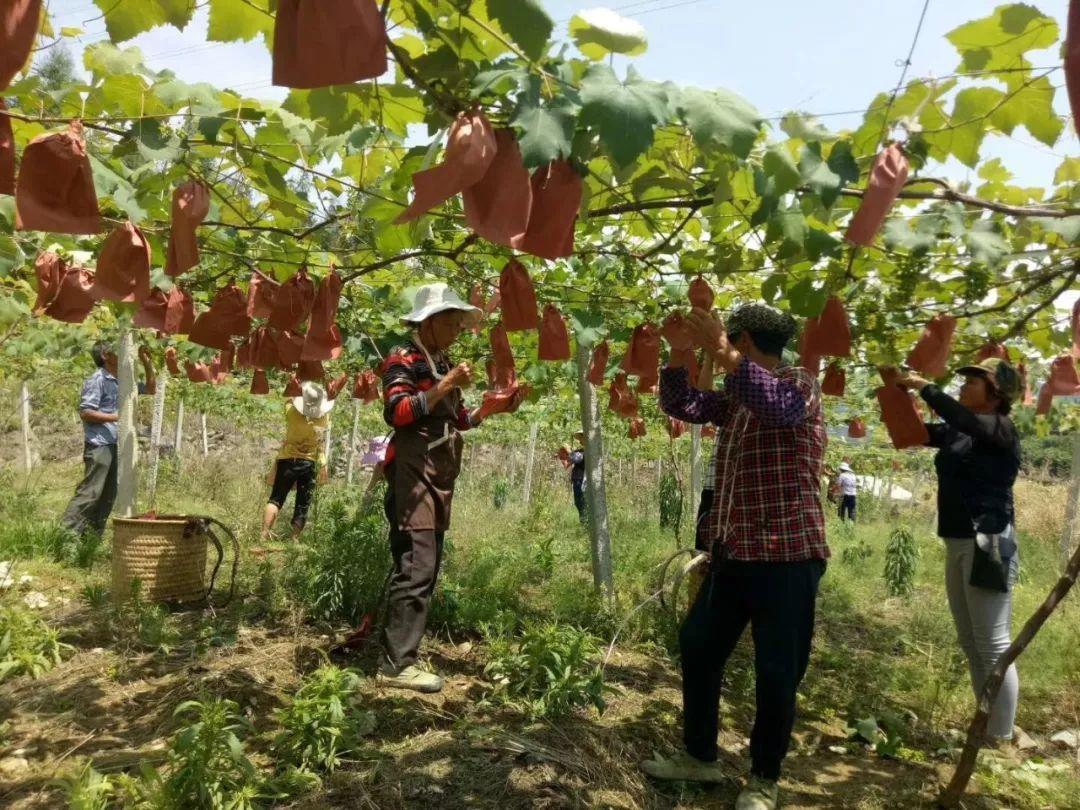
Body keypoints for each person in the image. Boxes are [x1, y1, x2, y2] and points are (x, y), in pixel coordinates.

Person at [643, 303, 828, 810]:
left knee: (777, 671)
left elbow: (781, 409)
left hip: (788, 557)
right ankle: (700, 757)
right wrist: (681, 352)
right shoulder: (737, 399)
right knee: (698, 645)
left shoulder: (798, 385)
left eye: (726, 341)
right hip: (735, 554)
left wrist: (720, 352)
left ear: (742, 341)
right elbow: (685, 405)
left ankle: (764, 778)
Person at [377, 283, 524, 693]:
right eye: (454, 322)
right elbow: (398, 412)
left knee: (425, 563)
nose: (460, 330)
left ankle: (399, 654)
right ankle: (396, 665)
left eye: (461, 323)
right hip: (413, 470)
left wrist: (491, 408)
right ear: (430, 322)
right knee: (416, 564)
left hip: (437, 471)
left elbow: (459, 420)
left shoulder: (441, 360)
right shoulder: (402, 359)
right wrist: (443, 385)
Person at [897, 357, 1022, 745]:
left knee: (993, 641)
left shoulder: (1000, 428)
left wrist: (924, 386)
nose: (964, 385)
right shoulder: (959, 431)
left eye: (974, 380)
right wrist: (893, 389)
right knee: (971, 640)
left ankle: (1000, 735)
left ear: (996, 392)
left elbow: (964, 419)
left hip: (989, 540)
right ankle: (985, 724)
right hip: (957, 539)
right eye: (964, 380)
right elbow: (915, 432)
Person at [61, 341, 156, 539]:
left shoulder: (124, 380)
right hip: (100, 444)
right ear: (105, 355)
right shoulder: (97, 380)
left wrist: (146, 362)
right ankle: (65, 535)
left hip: (116, 444)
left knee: (108, 496)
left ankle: (90, 539)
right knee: (91, 492)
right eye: (117, 349)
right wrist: (119, 416)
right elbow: (86, 412)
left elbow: (150, 388)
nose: (123, 352)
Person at [261, 382, 334, 541]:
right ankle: (294, 538)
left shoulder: (292, 413)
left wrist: (296, 381)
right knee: (303, 502)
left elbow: (289, 398)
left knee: (276, 498)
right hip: (311, 463)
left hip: (288, 460)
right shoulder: (324, 418)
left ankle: (264, 534)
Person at [568, 432, 586, 522]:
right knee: (578, 502)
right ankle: (584, 522)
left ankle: (585, 523)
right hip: (577, 479)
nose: (580, 439)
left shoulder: (585, 451)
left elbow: (575, 459)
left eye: (582, 437)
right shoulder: (580, 451)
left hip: (581, 479)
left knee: (581, 502)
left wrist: (569, 452)